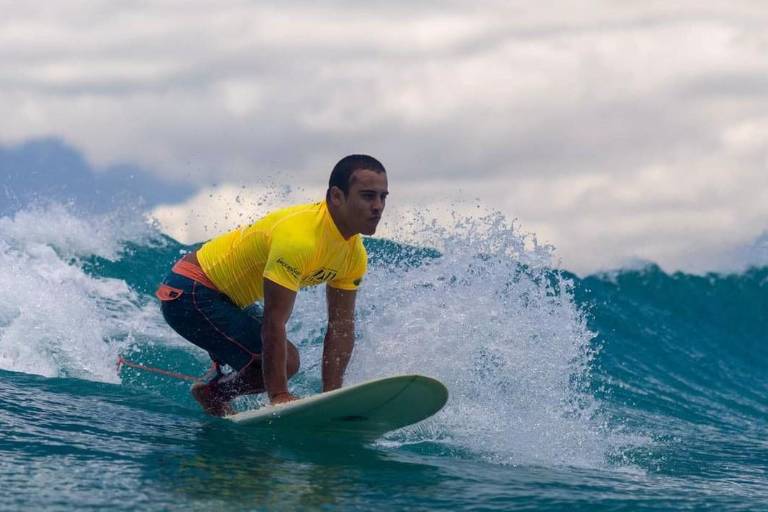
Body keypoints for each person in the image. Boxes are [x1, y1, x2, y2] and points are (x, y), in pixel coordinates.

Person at [155, 155, 388, 416]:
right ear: (336, 196)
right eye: (368, 196)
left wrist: (331, 396)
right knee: (287, 362)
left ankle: (214, 390)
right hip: (189, 292)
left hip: (227, 300)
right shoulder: (299, 239)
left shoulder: (354, 256)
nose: (378, 206)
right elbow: (273, 321)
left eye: (383, 197)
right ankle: (212, 394)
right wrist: (279, 396)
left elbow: (341, 327)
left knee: (283, 359)